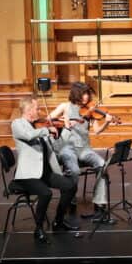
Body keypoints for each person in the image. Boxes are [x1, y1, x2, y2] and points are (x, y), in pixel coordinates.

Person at [10, 96, 78, 242]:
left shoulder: (39, 127)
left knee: (70, 186)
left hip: (45, 172)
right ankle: (38, 229)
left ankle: (58, 221)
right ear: (28, 110)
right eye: (37, 108)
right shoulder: (18, 124)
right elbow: (28, 136)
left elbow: (57, 147)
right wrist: (47, 130)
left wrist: (66, 129)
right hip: (28, 175)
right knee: (46, 193)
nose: (39, 111)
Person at [48, 82, 116, 224]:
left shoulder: (90, 110)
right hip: (68, 149)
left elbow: (97, 131)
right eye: (83, 94)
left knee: (102, 164)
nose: (85, 97)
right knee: (73, 170)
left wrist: (107, 122)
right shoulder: (65, 106)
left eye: (87, 94)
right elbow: (48, 120)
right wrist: (63, 122)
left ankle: (99, 206)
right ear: (76, 94)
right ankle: (68, 199)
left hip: (84, 149)